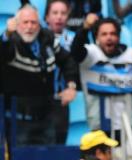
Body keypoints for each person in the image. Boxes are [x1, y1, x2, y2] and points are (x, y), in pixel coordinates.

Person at [0, 4, 78, 146]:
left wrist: (71, 86)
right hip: (18, 118)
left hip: (47, 116)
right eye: (25, 22)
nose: (29, 27)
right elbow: (3, 54)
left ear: (39, 24)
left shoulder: (47, 37)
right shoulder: (10, 41)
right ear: (16, 24)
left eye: (33, 22)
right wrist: (7, 34)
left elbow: (67, 60)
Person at [71, 15, 132, 140]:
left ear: (119, 37)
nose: (109, 37)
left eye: (113, 33)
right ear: (97, 37)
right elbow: (75, 50)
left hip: (131, 123)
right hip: (99, 126)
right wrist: (85, 27)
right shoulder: (89, 55)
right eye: (104, 34)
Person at [45, 0, 77, 144]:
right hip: (38, 101)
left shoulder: (74, 39)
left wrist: (71, 87)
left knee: (59, 145)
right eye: (55, 13)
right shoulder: (36, 36)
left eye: (63, 13)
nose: (59, 17)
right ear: (46, 17)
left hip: (61, 101)